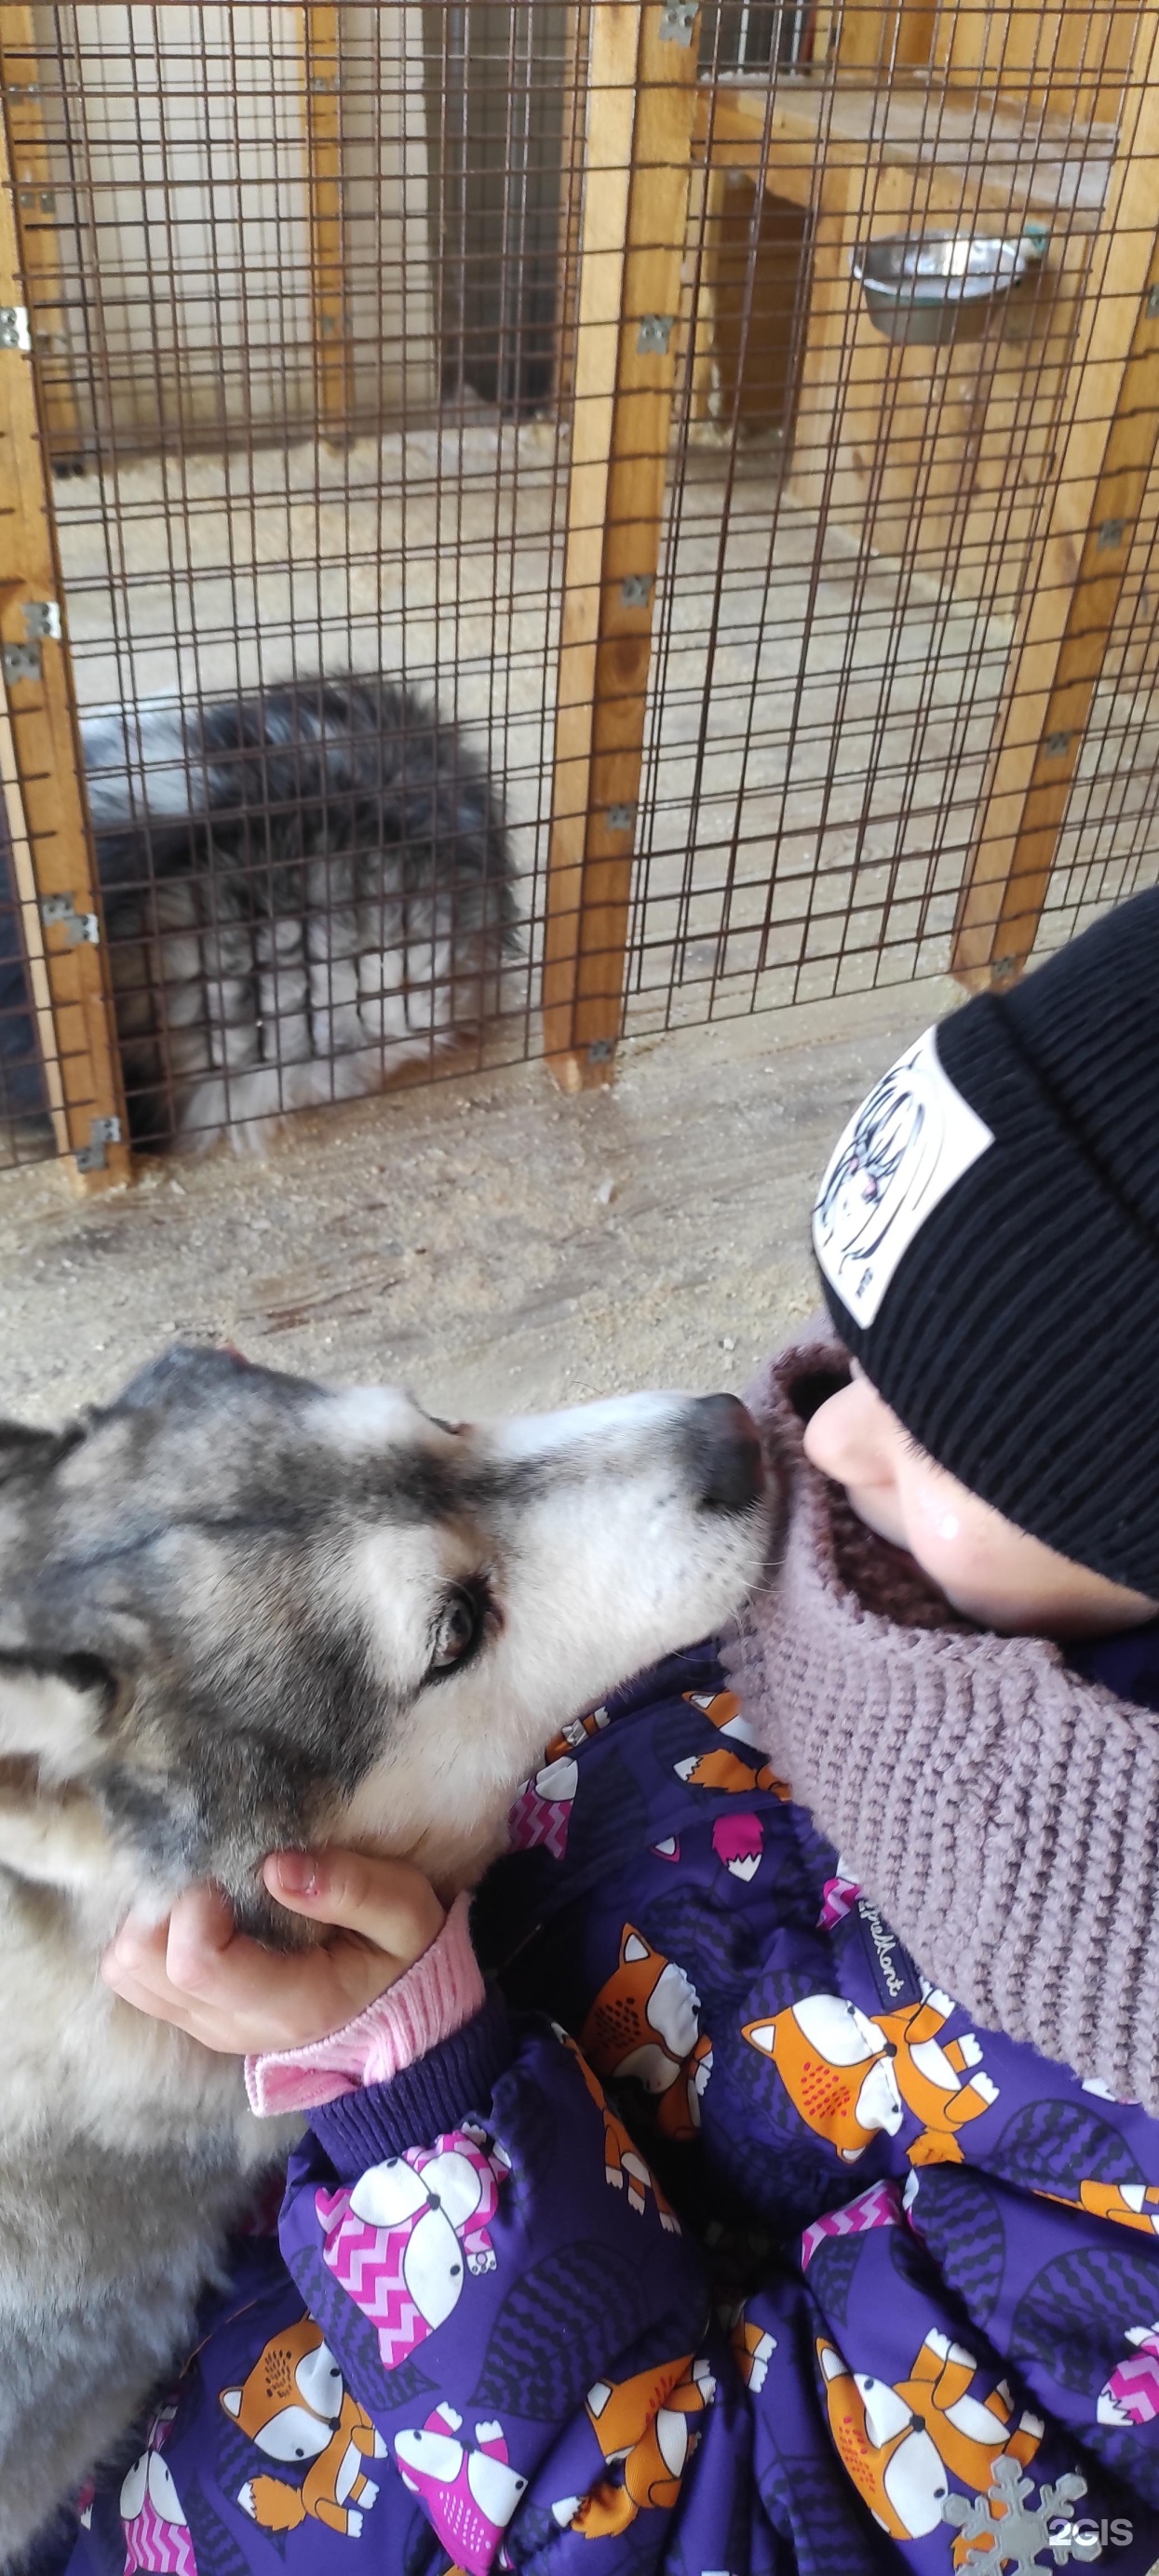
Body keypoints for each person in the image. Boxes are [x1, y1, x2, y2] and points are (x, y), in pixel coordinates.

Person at [61, 890, 1159, 2574]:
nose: (818, 1429)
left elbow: (761, 2531)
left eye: (957, 1435)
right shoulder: (900, 1566)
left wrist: (417, 2101)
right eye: (863, 1337)